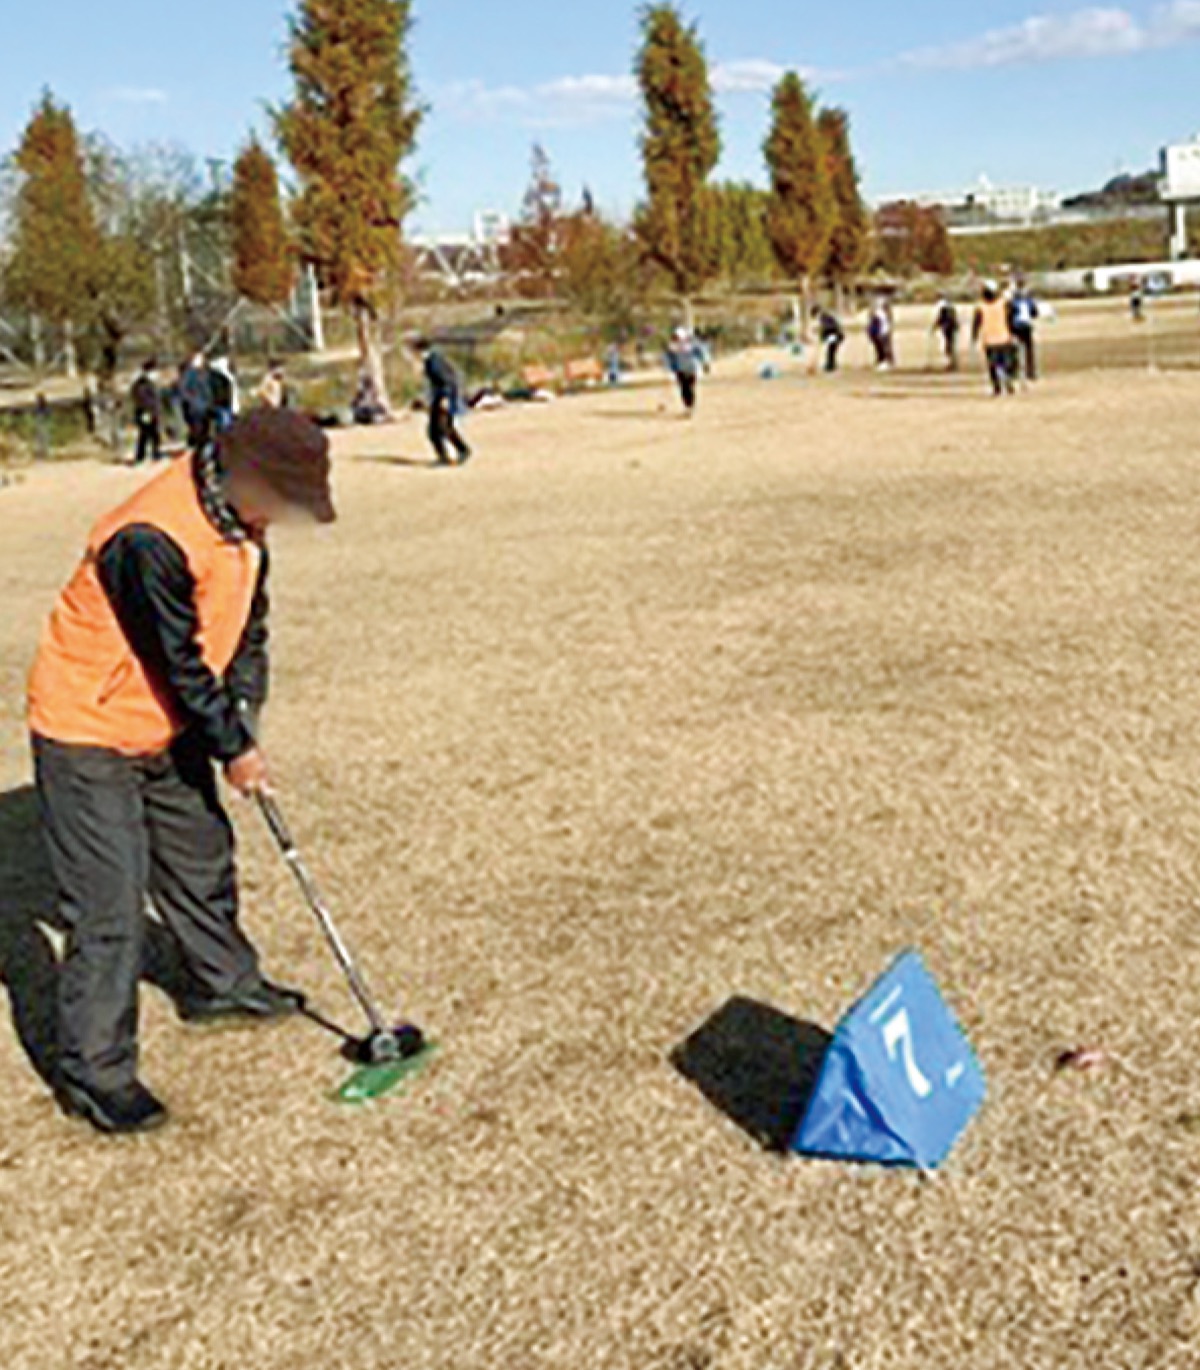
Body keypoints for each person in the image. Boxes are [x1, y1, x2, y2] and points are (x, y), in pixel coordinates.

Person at [26, 409, 337, 1135]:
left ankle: (222, 985)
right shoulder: (149, 537)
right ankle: (96, 1073)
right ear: (243, 476)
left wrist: (245, 715)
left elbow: (246, 632)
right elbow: (178, 658)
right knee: (108, 907)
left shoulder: (244, 526)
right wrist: (232, 745)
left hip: (168, 721)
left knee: (200, 854)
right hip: (88, 727)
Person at [412, 337, 471, 466]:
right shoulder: (433, 359)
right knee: (443, 429)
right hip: (442, 398)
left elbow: (446, 381)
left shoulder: (434, 362)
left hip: (444, 398)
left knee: (437, 430)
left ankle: (454, 454)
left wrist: (444, 399)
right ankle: (460, 451)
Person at [972, 280, 1018, 397]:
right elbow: (1011, 319)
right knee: (1006, 363)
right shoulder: (1003, 304)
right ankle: (1008, 382)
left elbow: (976, 324)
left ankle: (997, 387)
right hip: (1004, 338)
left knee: (993, 365)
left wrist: (974, 338)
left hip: (990, 340)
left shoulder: (980, 307)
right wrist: (1014, 333)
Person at [130, 360, 164, 464]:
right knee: (145, 434)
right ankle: (141, 456)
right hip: (145, 412)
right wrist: (148, 411)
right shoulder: (142, 384)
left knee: (153, 434)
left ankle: (155, 453)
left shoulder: (150, 383)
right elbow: (142, 400)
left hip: (152, 412)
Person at [667, 326, 706, 415]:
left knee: (690, 388)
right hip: (680, 370)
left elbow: (701, 353)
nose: (676, 338)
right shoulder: (672, 346)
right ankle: (688, 406)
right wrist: (671, 368)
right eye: (675, 336)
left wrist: (704, 363)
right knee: (684, 389)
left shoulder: (692, 344)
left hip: (692, 369)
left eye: (677, 336)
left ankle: (691, 406)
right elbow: (670, 357)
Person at [1008, 279, 1040, 382]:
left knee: (1013, 349)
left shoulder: (1012, 301)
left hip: (1015, 326)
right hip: (1026, 325)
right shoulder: (1028, 300)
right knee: (1029, 349)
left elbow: (1009, 314)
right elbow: (1035, 313)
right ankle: (1030, 372)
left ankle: (1014, 371)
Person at [179, 352, 213, 449]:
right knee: (198, 429)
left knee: (205, 429)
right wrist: (192, 400)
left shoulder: (205, 373)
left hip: (206, 406)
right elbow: (183, 389)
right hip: (195, 407)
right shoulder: (190, 374)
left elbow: (208, 389)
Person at [208, 355, 239, 432]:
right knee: (224, 426)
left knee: (228, 426)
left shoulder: (229, 376)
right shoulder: (216, 377)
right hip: (222, 405)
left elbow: (233, 391)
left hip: (228, 405)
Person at [932, 298, 961, 371]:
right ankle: (953, 363)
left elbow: (940, 318)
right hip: (952, 328)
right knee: (950, 346)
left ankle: (950, 363)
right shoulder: (950, 307)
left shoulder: (942, 308)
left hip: (947, 329)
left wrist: (934, 327)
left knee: (947, 347)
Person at [867, 298, 895, 370]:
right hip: (878, 332)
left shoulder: (884, 313)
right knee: (880, 348)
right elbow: (871, 320)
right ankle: (882, 361)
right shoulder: (877, 312)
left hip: (883, 332)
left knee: (884, 347)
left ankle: (886, 362)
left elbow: (887, 322)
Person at [817, 308, 845, 374]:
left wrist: (822, 337)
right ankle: (831, 364)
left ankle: (830, 365)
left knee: (831, 350)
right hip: (836, 335)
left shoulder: (825, 319)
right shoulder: (828, 318)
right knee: (831, 350)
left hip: (835, 335)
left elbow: (826, 329)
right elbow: (826, 329)